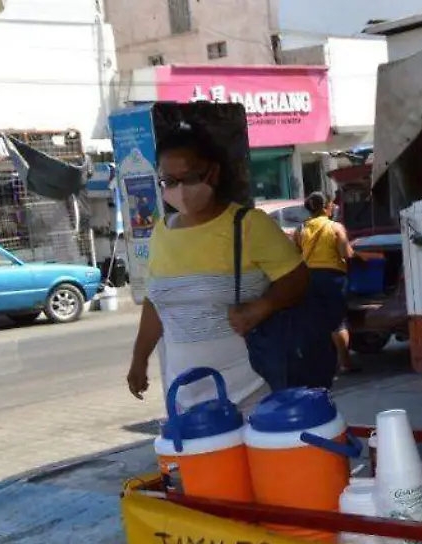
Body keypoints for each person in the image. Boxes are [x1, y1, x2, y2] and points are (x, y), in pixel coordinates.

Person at [126, 126, 311, 412]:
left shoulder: (248, 225)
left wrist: (264, 306)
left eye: (188, 178)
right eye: (168, 181)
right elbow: (155, 302)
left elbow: (298, 278)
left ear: (213, 173)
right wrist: (139, 359)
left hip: (252, 394)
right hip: (187, 401)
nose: (179, 190)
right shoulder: (162, 232)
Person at [296, 191, 358, 373]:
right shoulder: (335, 227)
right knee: (337, 323)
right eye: (331, 204)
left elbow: (295, 254)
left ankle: (318, 364)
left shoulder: (301, 229)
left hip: (308, 278)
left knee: (315, 321)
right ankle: (345, 363)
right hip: (332, 279)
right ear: (326, 207)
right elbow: (346, 254)